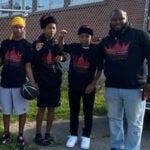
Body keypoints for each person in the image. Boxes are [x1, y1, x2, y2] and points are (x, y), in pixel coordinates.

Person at [98, 9, 150, 150]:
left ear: (127, 18)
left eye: (121, 18)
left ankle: (132, 148)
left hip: (135, 88)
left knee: (135, 123)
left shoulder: (140, 36)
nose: (117, 22)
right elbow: (97, 60)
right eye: (114, 19)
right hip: (112, 87)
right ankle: (116, 146)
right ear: (110, 21)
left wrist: (149, 83)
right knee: (114, 120)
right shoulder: (106, 41)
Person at [59, 25, 103, 149]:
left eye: (87, 36)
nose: (84, 39)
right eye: (82, 36)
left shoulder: (96, 50)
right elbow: (62, 47)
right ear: (79, 37)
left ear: (91, 37)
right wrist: (61, 37)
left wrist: (93, 83)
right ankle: (73, 135)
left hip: (88, 87)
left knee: (88, 112)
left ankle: (86, 136)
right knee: (74, 111)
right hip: (74, 86)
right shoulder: (74, 47)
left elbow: (100, 69)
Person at [0, 16, 35, 149]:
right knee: (6, 111)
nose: (18, 29)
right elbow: (1, 61)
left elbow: (27, 66)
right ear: (12, 27)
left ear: (24, 28)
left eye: (20, 27)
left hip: (20, 85)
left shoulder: (27, 46)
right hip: (5, 84)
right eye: (15, 26)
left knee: (21, 111)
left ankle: (20, 134)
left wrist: (33, 83)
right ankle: (6, 133)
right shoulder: (5, 44)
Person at [32, 14, 64, 146]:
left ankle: (48, 133)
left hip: (54, 81)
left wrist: (62, 57)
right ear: (43, 29)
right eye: (49, 28)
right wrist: (37, 51)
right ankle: (38, 134)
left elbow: (63, 53)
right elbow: (32, 61)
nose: (51, 30)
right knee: (41, 108)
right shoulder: (37, 43)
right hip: (42, 81)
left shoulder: (56, 43)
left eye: (54, 28)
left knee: (52, 108)